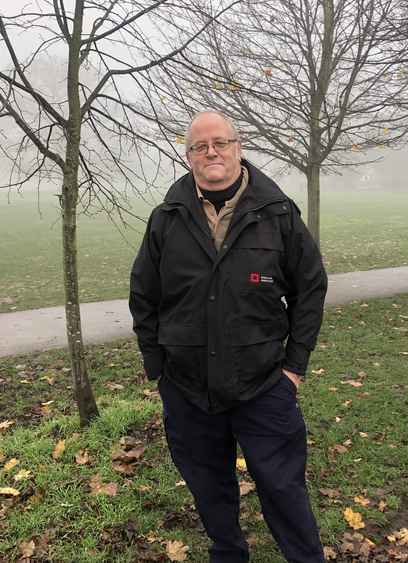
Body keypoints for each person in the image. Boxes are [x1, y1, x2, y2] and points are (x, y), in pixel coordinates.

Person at [129, 111, 328, 563]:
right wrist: (156, 366)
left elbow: (310, 288)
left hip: (263, 384)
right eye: (200, 146)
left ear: (238, 147)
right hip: (187, 388)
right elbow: (144, 293)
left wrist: (294, 367)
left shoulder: (277, 214)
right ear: (189, 157)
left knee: (282, 486)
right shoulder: (167, 218)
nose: (211, 152)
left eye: (220, 142)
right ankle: (229, 552)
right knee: (208, 487)